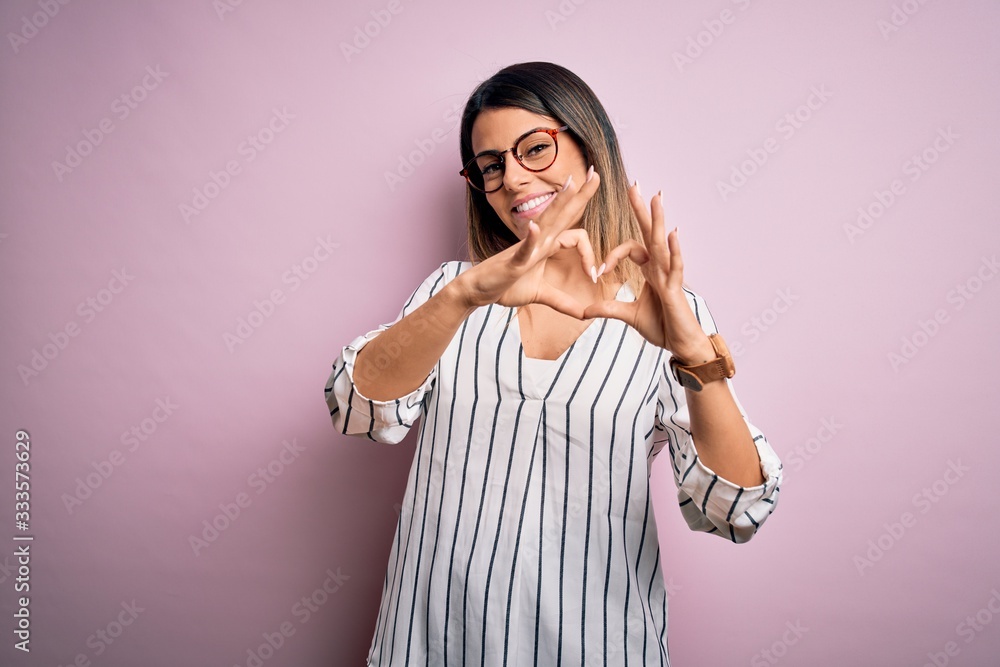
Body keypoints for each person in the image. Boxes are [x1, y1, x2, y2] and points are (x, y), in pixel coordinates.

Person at [325, 61, 782, 666]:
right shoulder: (452, 290)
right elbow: (356, 410)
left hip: (597, 643)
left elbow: (736, 509)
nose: (513, 178)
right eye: (491, 166)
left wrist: (693, 354)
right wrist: (465, 295)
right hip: (433, 640)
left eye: (535, 148)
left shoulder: (669, 311)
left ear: (592, 145)